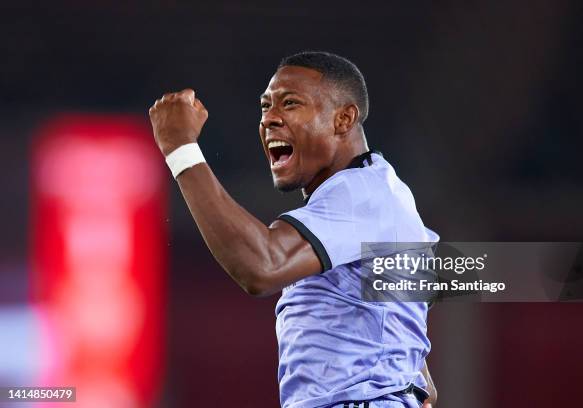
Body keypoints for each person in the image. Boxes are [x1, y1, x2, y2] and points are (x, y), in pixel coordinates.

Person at [149, 51, 438, 408]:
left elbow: (262, 266)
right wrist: (409, 376)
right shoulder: (380, 191)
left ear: (344, 118)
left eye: (290, 104)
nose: (270, 119)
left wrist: (181, 150)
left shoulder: (360, 193)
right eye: (265, 107)